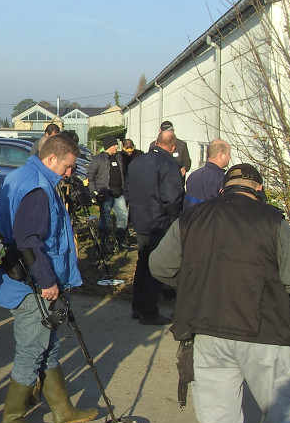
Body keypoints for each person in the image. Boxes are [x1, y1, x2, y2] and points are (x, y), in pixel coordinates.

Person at [149, 164, 290, 423]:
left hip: (207, 330)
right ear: (259, 190)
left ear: (222, 189)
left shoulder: (191, 218)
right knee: (286, 419)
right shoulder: (274, 221)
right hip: (264, 331)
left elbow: (159, 266)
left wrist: (194, 284)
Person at [0, 134, 96, 423]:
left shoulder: (21, 175)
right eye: (68, 166)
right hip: (33, 284)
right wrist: (47, 282)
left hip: (25, 279)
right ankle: (12, 420)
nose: (70, 173)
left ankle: (63, 410)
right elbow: (29, 240)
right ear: (52, 158)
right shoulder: (38, 187)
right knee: (32, 350)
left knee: (48, 344)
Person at [128, 129, 184, 324]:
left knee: (143, 262)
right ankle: (149, 311)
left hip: (140, 219)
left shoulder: (138, 161)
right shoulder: (168, 164)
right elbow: (172, 198)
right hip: (159, 221)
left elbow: (129, 189)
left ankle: (138, 306)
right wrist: (175, 217)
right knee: (156, 264)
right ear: (173, 147)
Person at [86, 135, 130, 250]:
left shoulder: (119, 157)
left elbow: (124, 173)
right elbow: (90, 176)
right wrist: (93, 191)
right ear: (109, 146)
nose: (116, 147)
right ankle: (104, 243)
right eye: (114, 145)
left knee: (123, 216)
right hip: (105, 193)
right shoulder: (98, 159)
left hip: (119, 193)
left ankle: (120, 241)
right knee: (105, 219)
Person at [183, 139, 230, 210]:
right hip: (209, 216)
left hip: (190, 216)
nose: (230, 157)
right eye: (229, 154)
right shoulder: (221, 179)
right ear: (221, 155)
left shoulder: (193, 175)